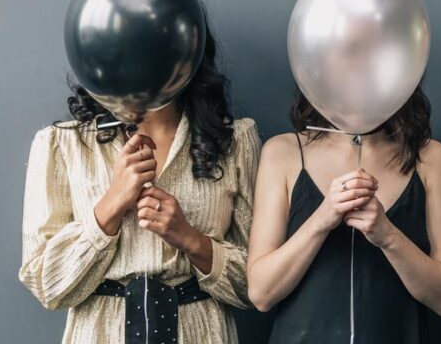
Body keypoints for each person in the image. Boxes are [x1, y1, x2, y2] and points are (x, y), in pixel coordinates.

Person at [19, 25, 260, 343]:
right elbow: (46, 286)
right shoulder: (61, 145)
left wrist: (189, 238)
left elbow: (256, 286)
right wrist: (110, 206)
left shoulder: (235, 141)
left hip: (201, 331)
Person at [246, 86, 441, 343]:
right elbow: (261, 293)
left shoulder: (431, 158)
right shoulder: (282, 152)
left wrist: (389, 236)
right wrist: (322, 219)